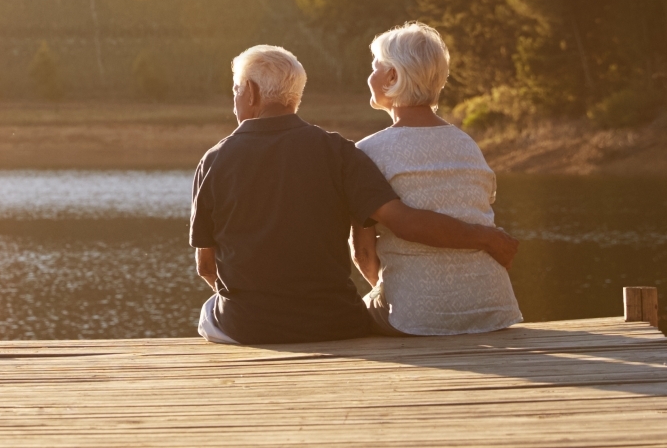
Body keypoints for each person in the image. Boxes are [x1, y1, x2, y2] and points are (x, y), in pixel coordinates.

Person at [192, 45, 517, 345]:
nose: (235, 99)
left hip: (248, 326)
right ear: (295, 96)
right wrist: (484, 237)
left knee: (209, 312)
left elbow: (206, 267)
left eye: (236, 90)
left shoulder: (213, 160)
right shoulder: (340, 152)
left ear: (250, 93)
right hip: (335, 323)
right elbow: (400, 221)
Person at [352, 22, 523, 337]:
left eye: (376, 67)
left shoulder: (367, 152)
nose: (370, 76)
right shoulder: (467, 145)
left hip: (415, 318)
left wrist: (398, 294)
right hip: (493, 310)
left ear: (392, 77)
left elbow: (363, 255)